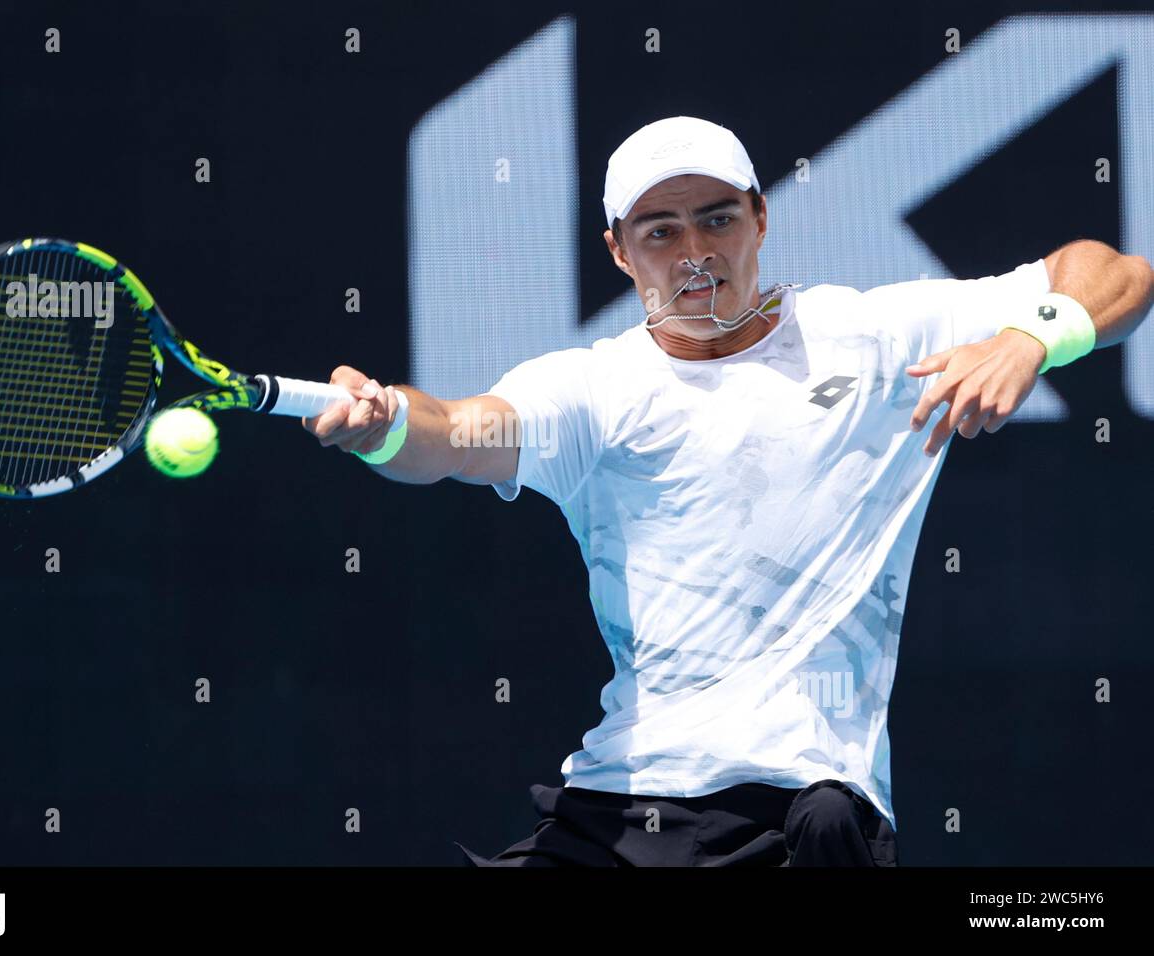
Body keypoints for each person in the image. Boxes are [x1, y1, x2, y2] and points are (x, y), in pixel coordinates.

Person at [304, 116, 1153, 866]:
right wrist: (382, 423)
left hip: (805, 814)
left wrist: (1031, 339)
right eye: (660, 231)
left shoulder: (875, 338)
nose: (695, 253)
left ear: (760, 217)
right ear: (618, 248)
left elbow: (1114, 271)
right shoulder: (593, 391)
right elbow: (455, 432)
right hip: (618, 813)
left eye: (717, 219)